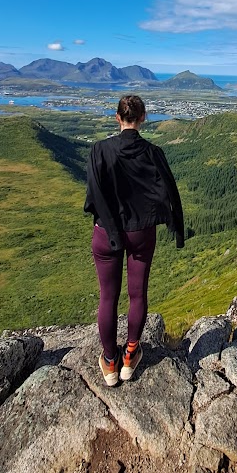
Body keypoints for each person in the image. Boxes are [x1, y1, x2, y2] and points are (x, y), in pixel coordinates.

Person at [84, 94, 184, 386]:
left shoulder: (99, 151)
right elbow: (168, 190)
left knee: (108, 297)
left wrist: (110, 224)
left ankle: (109, 362)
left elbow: (94, 196)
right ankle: (130, 354)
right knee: (138, 294)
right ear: (143, 118)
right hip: (141, 232)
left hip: (106, 233)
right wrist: (170, 223)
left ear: (117, 117)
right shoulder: (153, 153)